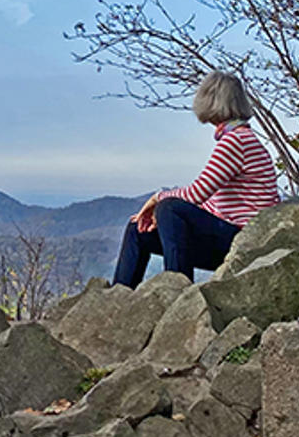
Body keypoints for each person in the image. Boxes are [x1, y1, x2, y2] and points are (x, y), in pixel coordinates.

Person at [112, 71, 279, 285]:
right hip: (231, 235)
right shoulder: (241, 138)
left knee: (169, 207)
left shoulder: (236, 141)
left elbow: (196, 194)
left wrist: (157, 199)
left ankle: (177, 291)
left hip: (241, 241)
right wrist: (159, 221)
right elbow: (212, 202)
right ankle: (118, 297)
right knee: (137, 230)